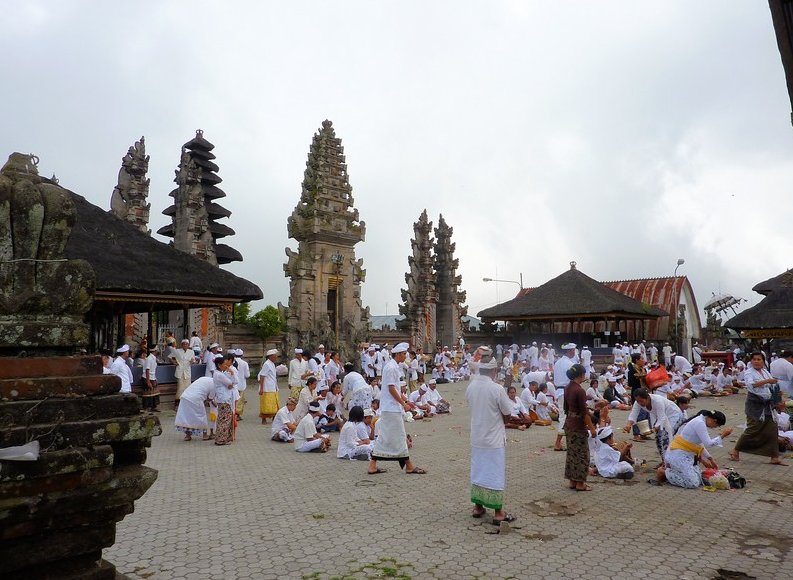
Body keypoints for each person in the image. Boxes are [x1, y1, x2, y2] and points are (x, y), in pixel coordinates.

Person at [466, 348, 516, 524]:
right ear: (494, 371)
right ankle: (498, 512)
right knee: (494, 472)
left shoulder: (471, 386)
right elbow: (507, 413)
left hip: (477, 436)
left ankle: (478, 507)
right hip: (493, 438)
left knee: (478, 471)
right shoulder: (497, 389)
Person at [368, 342, 426, 475]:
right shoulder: (391, 367)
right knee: (397, 436)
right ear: (398, 354)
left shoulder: (393, 366)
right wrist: (403, 403)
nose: (405, 356)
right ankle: (408, 465)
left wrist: (406, 400)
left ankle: (374, 464)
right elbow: (391, 388)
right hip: (391, 408)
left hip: (391, 407)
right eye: (404, 354)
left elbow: (395, 388)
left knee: (388, 436)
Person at [729, 352, 788, 465]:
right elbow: (752, 385)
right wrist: (767, 382)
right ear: (751, 361)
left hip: (768, 404)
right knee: (753, 429)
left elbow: (772, 386)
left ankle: (774, 456)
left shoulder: (765, 372)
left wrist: (778, 394)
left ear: (763, 361)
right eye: (754, 359)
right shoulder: (748, 373)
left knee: (772, 429)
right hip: (755, 404)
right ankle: (735, 450)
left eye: (759, 359)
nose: (756, 361)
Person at [658, 410, 731, 488]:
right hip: (678, 455)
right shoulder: (700, 423)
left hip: (685, 455)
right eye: (716, 425)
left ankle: (676, 471)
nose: (714, 428)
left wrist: (710, 458)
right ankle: (665, 472)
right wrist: (722, 436)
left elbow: (700, 445)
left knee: (699, 479)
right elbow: (708, 443)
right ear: (714, 420)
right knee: (692, 483)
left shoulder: (700, 421)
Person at [624, 388, 684, 463]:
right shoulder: (637, 403)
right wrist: (628, 425)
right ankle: (664, 461)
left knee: (666, 437)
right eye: (638, 401)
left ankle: (670, 462)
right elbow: (633, 414)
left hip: (673, 415)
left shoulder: (657, 401)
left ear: (648, 397)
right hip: (661, 417)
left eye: (641, 401)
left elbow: (661, 418)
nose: (640, 403)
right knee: (658, 438)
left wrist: (653, 429)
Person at [563, 363, 597, 491]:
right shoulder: (579, 390)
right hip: (578, 426)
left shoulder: (567, 388)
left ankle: (572, 481)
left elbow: (566, 408)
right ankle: (580, 483)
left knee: (572, 454)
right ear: (581, 375)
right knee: (582, 455)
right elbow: (584, 413)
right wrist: (592, 428)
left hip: (569, 424)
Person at [552, 343, 577, 452]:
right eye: (573, 351)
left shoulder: (557, 362)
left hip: (559, 390)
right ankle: (558, 443)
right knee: (564, 416)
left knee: (566, 415)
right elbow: (573, 379)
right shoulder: (569, 363)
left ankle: (566, 441)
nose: (574, 353)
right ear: (570, 351)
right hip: (566, 391)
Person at [174, 376, 215, 441]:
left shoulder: (204, 378)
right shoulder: (215, 384)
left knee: (187, 417)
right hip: (196, 399)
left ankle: (188, 435)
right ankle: (205, 435)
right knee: (201, 416)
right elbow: (210, 398)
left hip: (185, 397)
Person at [213, 354, 237, 446]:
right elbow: (231, 384)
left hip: (222, 398)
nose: (226, 366)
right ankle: (221, 439)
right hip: (224, 399)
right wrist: (232, 373)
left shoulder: (218, 373)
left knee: (222, 419)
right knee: (225, 420)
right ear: (219, 365)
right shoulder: (219, 375)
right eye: (224, 364)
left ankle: (222, 438)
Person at [258, 348, 280, 425]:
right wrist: (261, 388)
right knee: (266, 404)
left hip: (273, 387)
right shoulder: (267, 364)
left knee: (274, 403)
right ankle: (263, 419)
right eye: (275, 356)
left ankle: (274, 417)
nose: (276, 357)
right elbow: (262, 376)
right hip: (267, 388)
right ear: (270, 356)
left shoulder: (272, 364)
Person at [173, 339, 196, 409]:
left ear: (188, 345)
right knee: (180, 388)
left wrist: (192, 362)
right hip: (180, 372)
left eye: (186, 344)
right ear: (181, 345)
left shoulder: (191, 352)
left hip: (187, 372)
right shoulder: (177, 351)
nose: (185, 345)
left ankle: (186, 403)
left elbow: (193, 360)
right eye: (184, 344)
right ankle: (177, 404)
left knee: (187, 388)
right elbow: (170, 357)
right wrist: (174, 362)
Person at [142, 345, 160, 412]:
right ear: (155, 351)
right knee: (148, 393)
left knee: (154, 393)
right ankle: (147, 407)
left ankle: (153, 407)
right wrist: (148, 381)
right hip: (148, 377)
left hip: (153, 377)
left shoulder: (154, 358)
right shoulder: (149, 358)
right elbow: (147, 370)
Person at [233, 349, 250, 420]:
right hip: (241, 385)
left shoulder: (232, 362)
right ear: (242, 355)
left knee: (234, 399)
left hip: (233, 384)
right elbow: (247, 375)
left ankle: (233, 414)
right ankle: (237, 415)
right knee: (240, 401)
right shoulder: (244, 363)